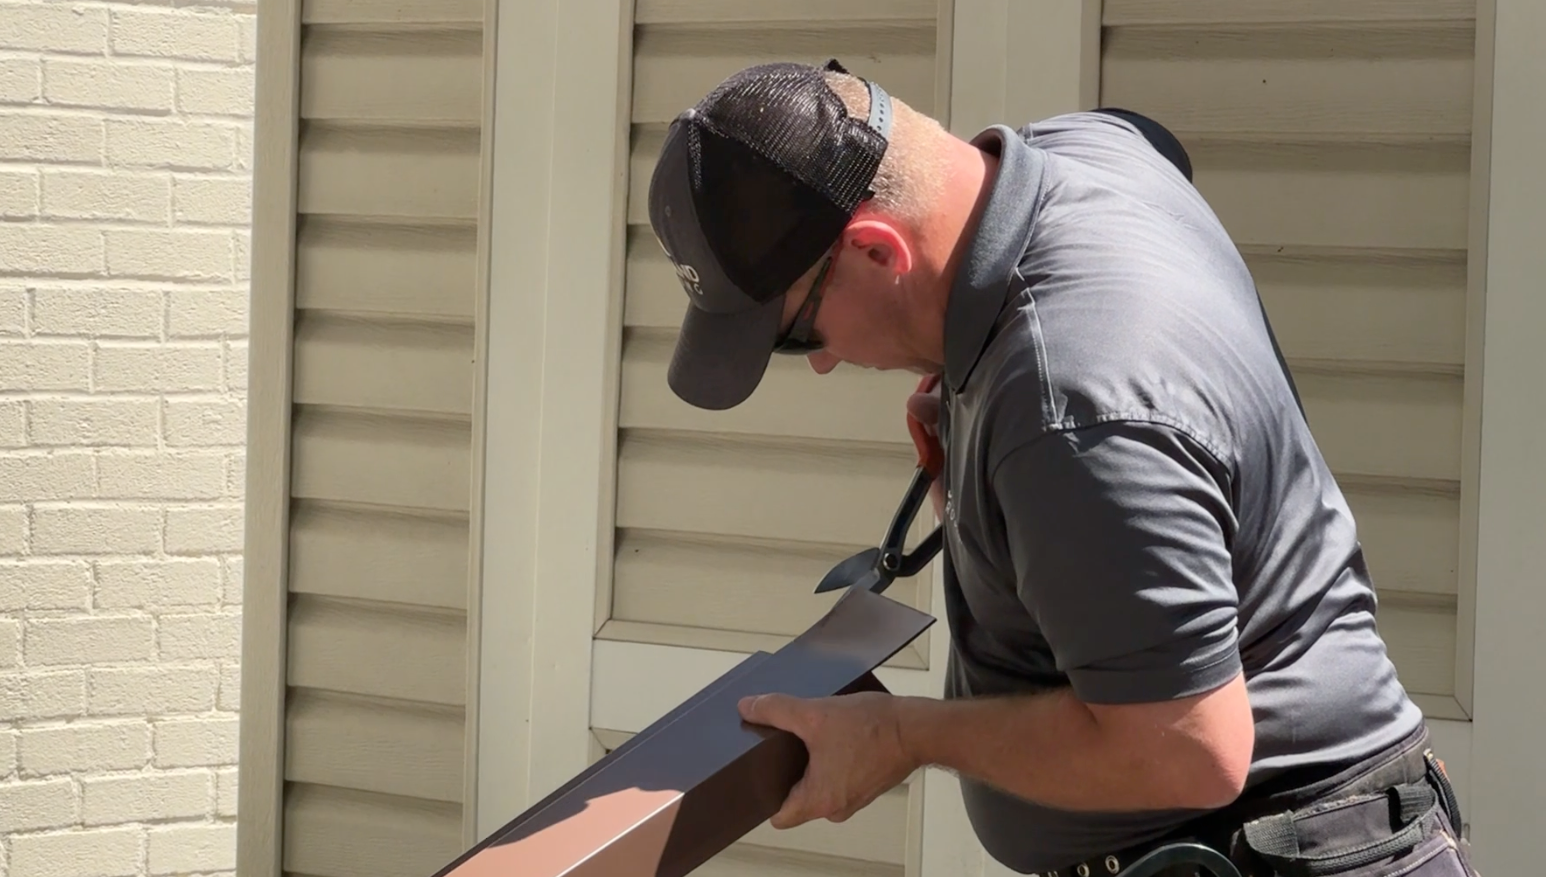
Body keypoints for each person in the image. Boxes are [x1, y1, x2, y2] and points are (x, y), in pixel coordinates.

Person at [645, 59, 1478, 877]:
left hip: (1286, 845)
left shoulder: (1067, 407)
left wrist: (903, 735)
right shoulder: (1089, 154)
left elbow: (1190, 751)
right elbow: (1156, 149)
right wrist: (974, 398)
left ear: (876, 251)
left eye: (796, 336)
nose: (821, 364)